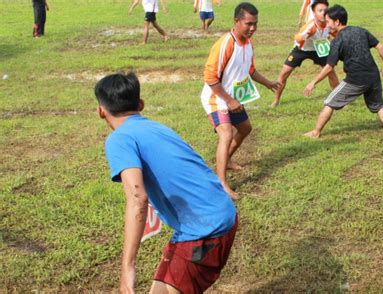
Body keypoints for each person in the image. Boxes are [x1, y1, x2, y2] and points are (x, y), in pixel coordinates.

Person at [95, 72, 238, 293]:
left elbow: (137, 197)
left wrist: (127, 269)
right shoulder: (157, 128)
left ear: (101, 111)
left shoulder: (119, 138)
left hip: (205, 231)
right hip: (217, 215)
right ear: (140, 104)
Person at [200, 2, 281, 199]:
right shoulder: (225, 44)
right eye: (248, 24)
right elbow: (210, 78)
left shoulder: (247, 43)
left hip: (232, 99)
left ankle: (226, 160)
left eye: (255, 24)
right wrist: (228, 100)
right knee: (226, 134)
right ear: (237, 21)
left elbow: (250, 70)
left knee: (245, 129)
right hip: (216, 98)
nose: (252, 28)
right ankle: (222, 184)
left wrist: (268, 83)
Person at [303, 5, 383, 140]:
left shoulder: (337, 41)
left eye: (328, 22)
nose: (327, 25)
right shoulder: (361, 30)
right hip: (373, 76)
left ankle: (316, 132)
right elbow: (380, 46)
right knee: (378, 105)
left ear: (337, 22)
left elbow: (329, 67)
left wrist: (313, 82)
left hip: (355, 79)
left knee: (330, 102)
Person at [271, 0, 339, 108]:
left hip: (319, 50)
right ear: (314, 12)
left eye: (325, 10)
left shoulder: (329, 24)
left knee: (331, 72)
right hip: (302, 49)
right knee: (284, 73)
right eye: (320, 10)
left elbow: (337, 34)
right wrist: (303, 36)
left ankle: (338, 99)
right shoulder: (310, 26)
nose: (323, 13)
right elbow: (297, 37)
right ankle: (276, 100)